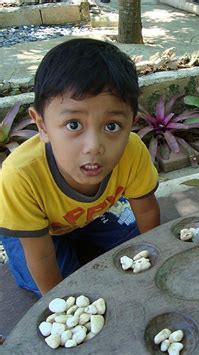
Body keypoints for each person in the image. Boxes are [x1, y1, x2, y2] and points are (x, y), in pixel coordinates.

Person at [0, 38, 161, 296]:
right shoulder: (20, 176)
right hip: (36, 234)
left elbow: (147, 213)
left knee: (135, 249)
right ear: (41, 125)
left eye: (112, 126)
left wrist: (155, 260)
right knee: (63, 285)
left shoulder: (132, 150)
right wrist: (60, 306)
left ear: (131, 122)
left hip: (90, 216)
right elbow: (41, 257)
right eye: (74, 125)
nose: (93, 147)